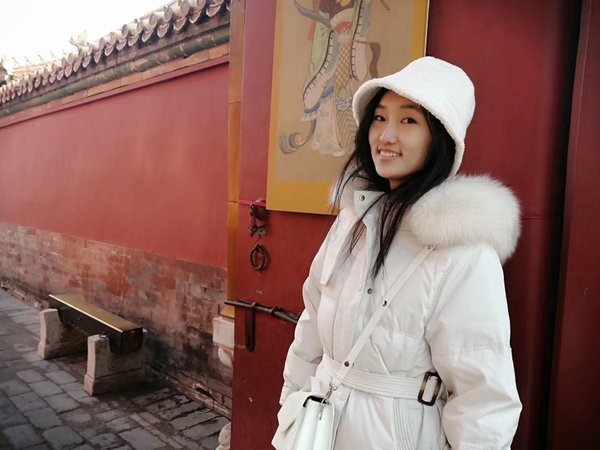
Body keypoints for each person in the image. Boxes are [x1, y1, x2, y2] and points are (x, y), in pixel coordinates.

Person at [276, 56, 522, 449]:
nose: (386, 135)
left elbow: (483, 397)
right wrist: (290, 404)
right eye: (379, 118)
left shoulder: (464, 251)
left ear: (440, 138)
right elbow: (311, 324)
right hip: (318, 430)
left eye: (408, 120)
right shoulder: (352, 222)